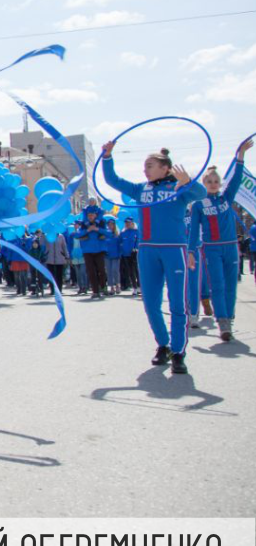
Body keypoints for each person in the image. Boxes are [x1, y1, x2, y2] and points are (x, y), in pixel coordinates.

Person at [101, 144, 206, 374]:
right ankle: (163, 345)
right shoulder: (141, 189)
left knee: (178, 304)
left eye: (149, 165)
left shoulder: (178, 188)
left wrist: (188, 181)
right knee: (150, 304)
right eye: (144, 166)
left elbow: (201, 194)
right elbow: (112, 180)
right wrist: (107, 156)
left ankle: (178, 352)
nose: (145, 170)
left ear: (165, 168)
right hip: (147, 250)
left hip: (174, 249)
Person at [190, 140, 252, 341]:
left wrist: (240, 156)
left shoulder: (226, 198)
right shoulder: (198, 205)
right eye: (209, 181)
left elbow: (236, 179)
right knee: (217, 284)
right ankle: (222, 321)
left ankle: (229, 317)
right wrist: (191, 251)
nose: (213, 184)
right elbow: (193, 231)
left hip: (230, 247)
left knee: (231, 285)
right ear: (204, 184)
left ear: (220, 183)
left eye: (216, 181)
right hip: (211, 249)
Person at [77, 213, 108, 299]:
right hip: (87, 251)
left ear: (95, 216)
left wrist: (97, 229)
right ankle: (95, 291)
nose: (90, 217)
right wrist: (88, 230)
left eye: (92, 215)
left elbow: (108, 233)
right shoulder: (84, 225)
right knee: (91, 271)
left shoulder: (101, 223)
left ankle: (103, 286)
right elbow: (77, 235)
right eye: (89, 215)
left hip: (99, 250)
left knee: (101, 270)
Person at [120, 216, 140, 295]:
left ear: (132, 223)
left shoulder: (136, 231)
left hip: (135, 253)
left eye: (129, 222)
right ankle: (135, 287)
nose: (127, 224)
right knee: (131, 271)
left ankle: (140, 286)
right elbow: (120, 242)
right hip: (126, 254)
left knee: (137, 270)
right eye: (126, 223)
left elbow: (138, 241)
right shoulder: (123, 233)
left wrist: (136, 248)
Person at [44, 230, 69, 296]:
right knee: (51, 275)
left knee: (59, 275)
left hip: (60, 257)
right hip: (50, 258)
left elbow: (64, 246)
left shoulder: (61, 236)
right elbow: (42, 244)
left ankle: (59, 290)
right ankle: (52, 290)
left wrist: (67, 256)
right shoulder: (46, 236)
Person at [104, 218, 122, 295]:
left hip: (116, 255)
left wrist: (120, 254)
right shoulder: (106, 234)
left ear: (114, 225)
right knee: (109, 271)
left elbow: (120, 245)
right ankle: (111, 287)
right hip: (107, 256)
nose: (110, 226)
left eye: (112, 224)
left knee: (115, 270)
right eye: (109, 224)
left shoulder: (117, 234)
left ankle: (117, 284)